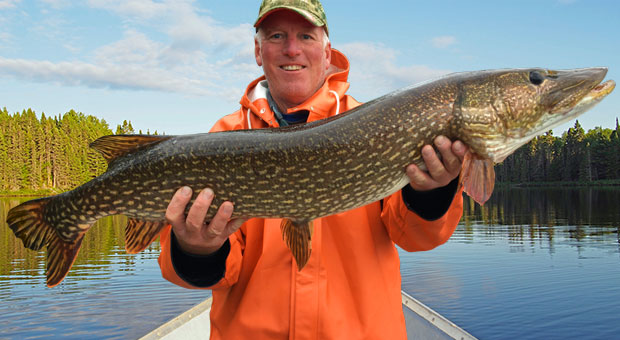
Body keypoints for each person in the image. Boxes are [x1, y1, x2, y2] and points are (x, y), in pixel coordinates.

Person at [158, 0, 467, 338]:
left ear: (327, 50)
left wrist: (433, 192)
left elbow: (416, 237)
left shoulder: (378, 129)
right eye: (276, 36)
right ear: (258, 51)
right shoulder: (224, 138)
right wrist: (196, 250)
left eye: (306, 36)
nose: (292, 49)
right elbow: (217, 273)